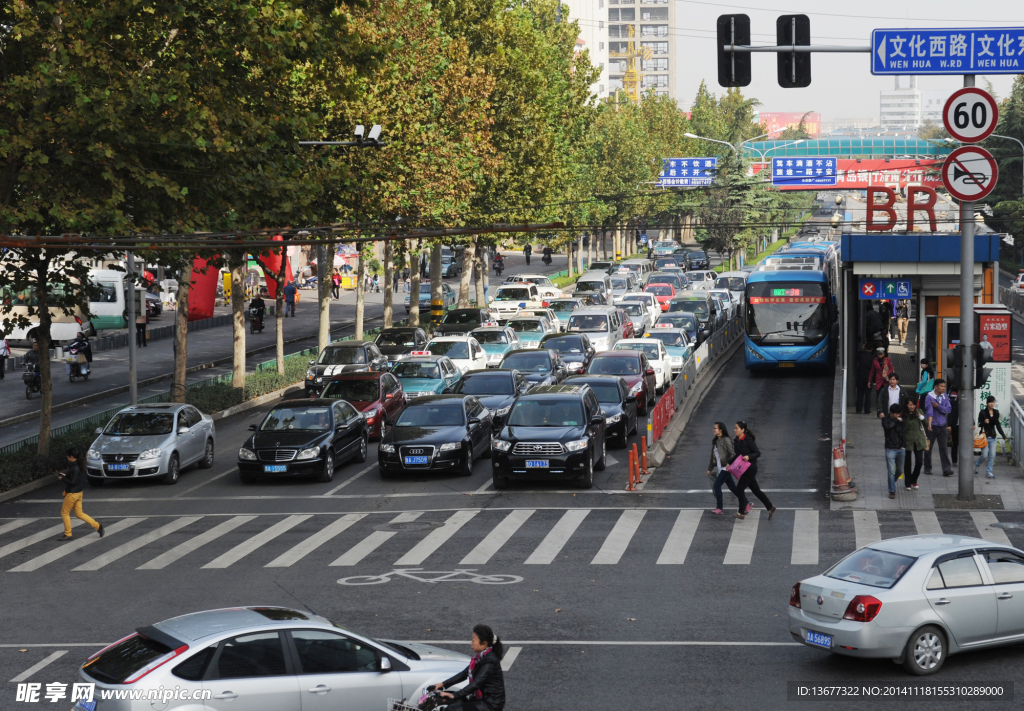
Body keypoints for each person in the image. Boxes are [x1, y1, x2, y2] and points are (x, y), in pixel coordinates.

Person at [431, 624, 505, 711]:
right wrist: (443, 684)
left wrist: (454, 695)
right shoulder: (480, 657)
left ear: (484, 644)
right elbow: (464, 674)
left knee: (452, 709)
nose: (471, 643)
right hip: (482, 699)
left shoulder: (490, 661)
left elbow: (477, 683)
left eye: (474, 640)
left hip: (490, 704)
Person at [55, 447, 103, 541]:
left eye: (68, 457)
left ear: (71, 457)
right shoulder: (79, 465)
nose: (67, 458)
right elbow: (75, 479)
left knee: (65, 513)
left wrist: (62, 478)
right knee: (79, 513)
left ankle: (68, 534)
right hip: (79, 493)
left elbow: (72, 482)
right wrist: (66, 476)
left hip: (72, 494)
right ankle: (97, 526)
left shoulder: (74, 467)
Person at [732, 421, 775, 520]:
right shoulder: (737, 440)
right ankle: (770, 507)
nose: (734, 430)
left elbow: (757, 453)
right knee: (756, 490)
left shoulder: (748, 440)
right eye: (735, 428)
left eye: (737, 428)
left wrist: (749, 456)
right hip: (743, 468)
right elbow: (737, 455)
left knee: (739, 489)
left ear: (742, 430)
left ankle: (741, 512)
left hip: (750, 468)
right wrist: (729, 463)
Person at [706, 421, 740, 515]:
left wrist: (729, 463)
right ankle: (746, 503)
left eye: (715, 428)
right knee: (732, 487)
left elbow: (732, 453)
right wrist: (710, 468)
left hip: (727, 467)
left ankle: (719, 507)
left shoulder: (726, 440)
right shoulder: (716, 441)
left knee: (716, 485)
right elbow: (713, 457)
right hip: (721, 468)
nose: (713, 430)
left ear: (720, 430)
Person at [923, 379, 954, 477]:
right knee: (928, 448)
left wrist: (939, 407)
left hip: (942, 426)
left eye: (944, 386)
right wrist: (929, 424)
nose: (943, 388)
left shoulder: (945, 397)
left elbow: (948, 410)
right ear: (936, 387)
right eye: (941, 386)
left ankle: (946, 469)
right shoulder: (929, 397)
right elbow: (929, 411)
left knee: (943, 448)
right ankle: (927, 468)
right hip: (932, 426)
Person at [976, 395, 1007, 479]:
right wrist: (984, 422)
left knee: (992, 455)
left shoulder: (996, 412)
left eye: (993, 402)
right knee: (984, 455)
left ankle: (988, 472)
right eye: (990, 402)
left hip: (993, 436)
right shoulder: (982, 412)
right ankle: (976, 465)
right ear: (987, 403)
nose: (992, 404)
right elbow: (979, 424)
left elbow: (997, 425)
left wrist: (1003, 434)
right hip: (984, 437)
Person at [881, 403, 906, 499]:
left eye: (899, 414)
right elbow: (887, 427)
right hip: (890, 448)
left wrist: (904, 445)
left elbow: (903, 433)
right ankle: (892, 490)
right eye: (896, 414)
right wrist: (895, 421)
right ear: (891, 413)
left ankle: (891, 482)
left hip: (900, 448)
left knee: (899, 470)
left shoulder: (901, 420)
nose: (898, 415)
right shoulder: (885, 419)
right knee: (891, 471)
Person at [903, 399, 927, 490]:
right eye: (910, 405)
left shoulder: (919, 411)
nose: (912, 407)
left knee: (920, 462)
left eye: (913, 405)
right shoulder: (904, 414)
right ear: (906, 405)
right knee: (907, 463)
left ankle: (914, 479)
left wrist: (920, 416)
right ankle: (907, 483)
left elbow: (926, 423)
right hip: (907, 440)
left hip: (918, 440)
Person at [855, 342, 874, 414]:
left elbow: (857, 355)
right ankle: (867, 410)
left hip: (860, 377)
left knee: (860, 394)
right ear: (871, 349)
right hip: (869, 378)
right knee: (868, 394)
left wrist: (862, 349)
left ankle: (858, 409)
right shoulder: (872, 357)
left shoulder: (860, 355)